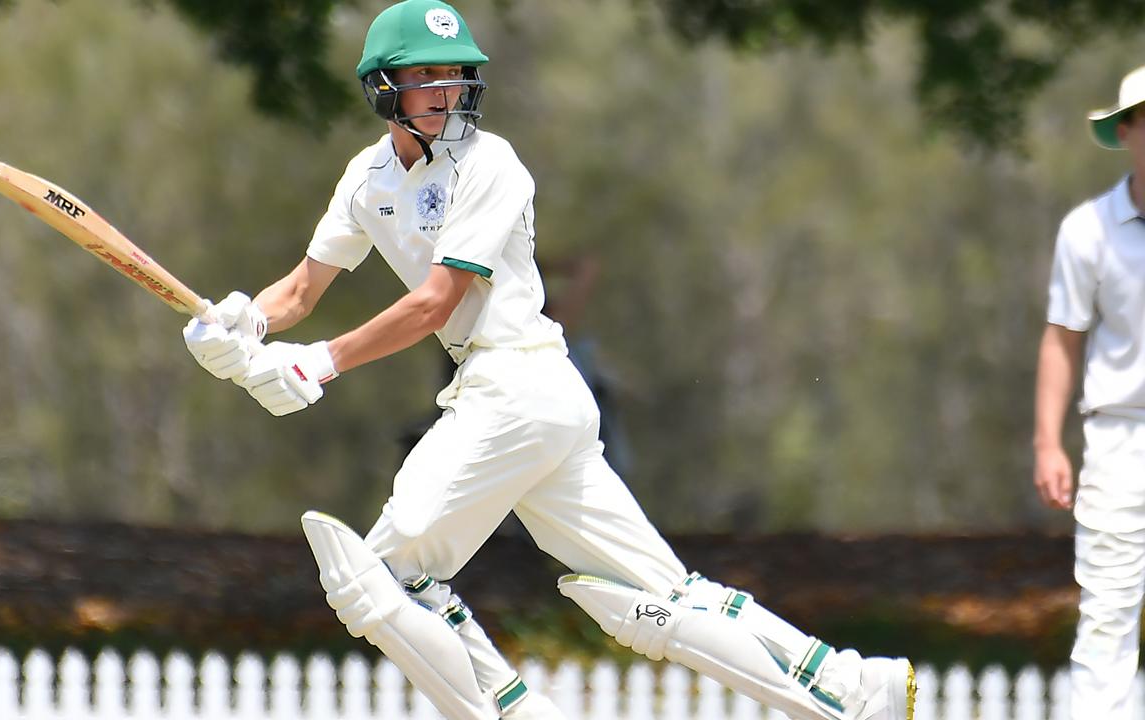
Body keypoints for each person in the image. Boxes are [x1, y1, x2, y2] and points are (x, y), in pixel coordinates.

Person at [182, 2, 916, 718]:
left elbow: (435, 302)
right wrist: (242, 318)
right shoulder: (368, 178)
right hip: (531, 402)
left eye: (454, 73)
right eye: (425, 74)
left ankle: (512, 707)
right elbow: (304, 289)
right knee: (661, 596)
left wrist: (320, 364)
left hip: (514, 387)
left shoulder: (489, 162)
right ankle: (854, 690)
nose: (445, 90)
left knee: (382, 580)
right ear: (384, 86)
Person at [1033, 63, 1145, 719]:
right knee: (1106, 616)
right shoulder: (1088, 230)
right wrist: (1049, 443)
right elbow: (1062, 338)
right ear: (1127, 130)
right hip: (1119, 438)